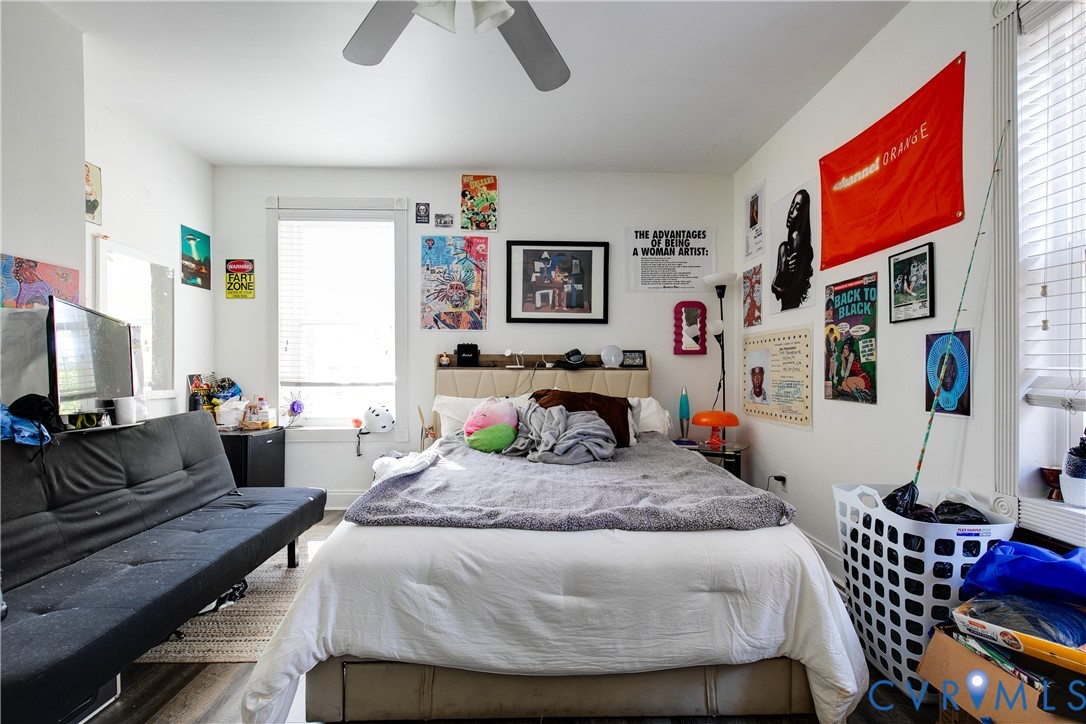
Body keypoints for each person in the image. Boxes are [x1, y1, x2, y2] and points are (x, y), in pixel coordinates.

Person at [770, 188, 814, 311]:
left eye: (797, 208)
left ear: (803, 213)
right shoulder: (787, 246)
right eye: (792, 205)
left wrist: (776, 287)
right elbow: (778, 287)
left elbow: (785, 289)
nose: (791, 211)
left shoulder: (796, 241)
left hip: (789, 306)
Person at [835, 336, 871, 401]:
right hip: (854, 382)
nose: (844, 351)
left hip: (862, 379)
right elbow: (843, 374)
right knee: (844, 383)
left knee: (848, 380)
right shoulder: (845, 359)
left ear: (850, 349)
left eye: (846, 349)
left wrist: (845, 379)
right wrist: (843, 360)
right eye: (843, 349)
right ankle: (861, 394)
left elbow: (847, 372)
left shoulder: (852, 355)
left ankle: (862, 397)